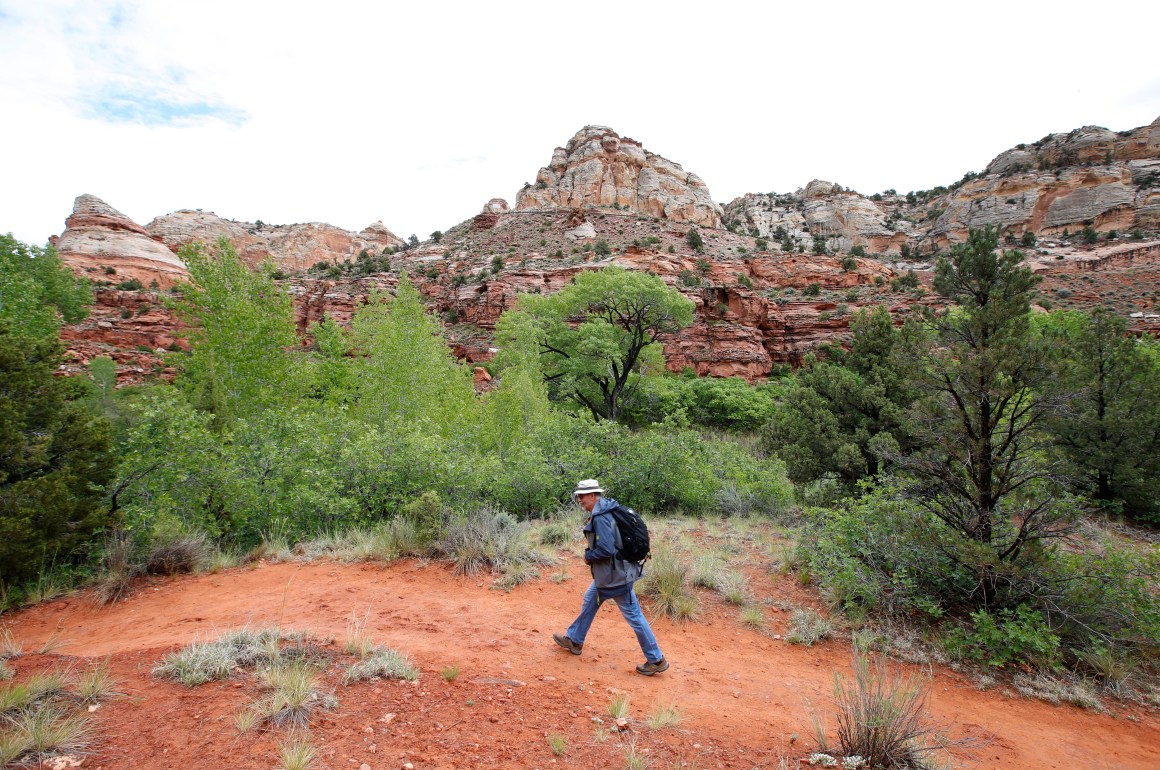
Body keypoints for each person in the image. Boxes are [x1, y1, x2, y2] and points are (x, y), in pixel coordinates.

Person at [553, 478, 668, 676]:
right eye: (578, 496)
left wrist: (589, 556)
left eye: (582, 496)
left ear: (592, 495)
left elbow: (606, 549)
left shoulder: (601, 516)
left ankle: (656, 659)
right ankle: (575, 640)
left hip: (615, 577)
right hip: (609, 575)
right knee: (590, 600)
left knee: (634, 616)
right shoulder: (606, 509)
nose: (579, 500)